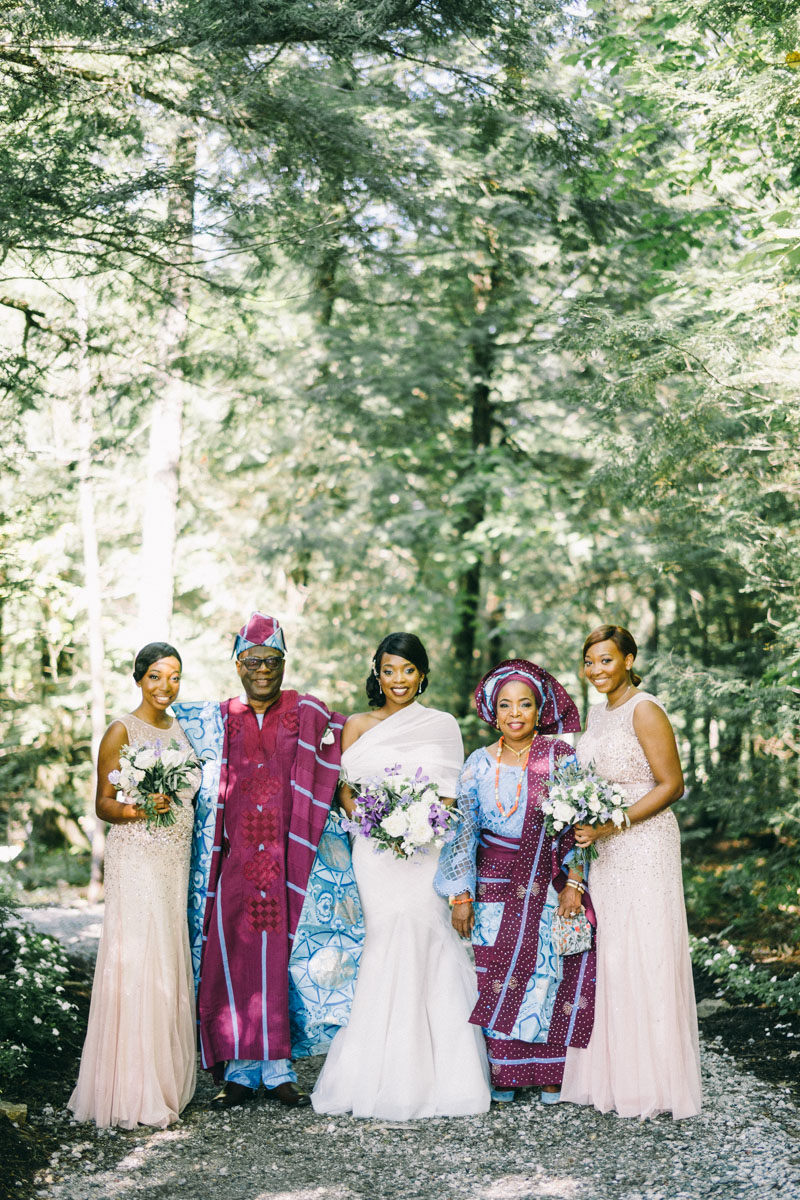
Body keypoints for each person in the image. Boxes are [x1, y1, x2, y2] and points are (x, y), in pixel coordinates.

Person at [311, 632, 491, 1119]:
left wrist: (421, 823)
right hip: (374, 850)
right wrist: (374, 820)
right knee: (384, 942)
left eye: (408, 670)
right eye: (389, 670)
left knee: (431, 940)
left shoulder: (443, 725)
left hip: (426, 850)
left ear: (422, 675)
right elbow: (343, 790)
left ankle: (444, 1078)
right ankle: (374, 1073)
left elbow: (453, 797)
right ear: (377, 672)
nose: (398, 680)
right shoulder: (356, 724)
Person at [172, 613, 346, 1109]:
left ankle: (280, 1070)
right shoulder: (217, 718)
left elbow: (345, 747)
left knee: (280, 959)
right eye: (252, 662)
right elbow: (163, 731)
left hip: (290, 863)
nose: (262, 670)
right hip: (235, 863)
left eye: (271, 661)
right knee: (232, 957)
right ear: (237, 664)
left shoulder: (309, 712)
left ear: (285, 662)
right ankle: (240, 1073)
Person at [435, 659, 596, 1104]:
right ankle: (506, 1072)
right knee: (497, 974)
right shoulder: (477, 762)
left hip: (547, 879)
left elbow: (580, 821)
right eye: (505, 705)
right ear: (492, 710)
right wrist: (460, 895)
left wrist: (574, 883)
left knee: (547, 973)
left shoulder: (561, 757)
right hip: (490, 886)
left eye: (525, 704)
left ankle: (549, 1073)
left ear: (540, 708)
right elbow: (462, 831)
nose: (515, 713)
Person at [560, 625, 702, 1119]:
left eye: (606, 660)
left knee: (649, 948)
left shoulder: (646, 708)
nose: (596, 670)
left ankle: (656, 1083)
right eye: (589, 662)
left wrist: (613, 823)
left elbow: (672, 784)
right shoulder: (597, 714)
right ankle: (617, 1077)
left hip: (643, 843)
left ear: (629, 659)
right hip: (606, 851)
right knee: (615, 954)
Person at [69, 642, 200, 1129]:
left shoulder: (181, 727)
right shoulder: (121, 730)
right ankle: (131, 1086)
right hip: (139, 857)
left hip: (174, 861)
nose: (166, 687)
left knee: (167, 955)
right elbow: (104, 803)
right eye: (156, 677)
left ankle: (166, 1079)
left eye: (175, 678)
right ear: (138, 677)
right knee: (140, 958)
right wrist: (142, 808)